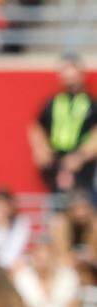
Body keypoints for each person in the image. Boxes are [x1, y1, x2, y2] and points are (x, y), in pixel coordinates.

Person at [29, 54, 97, 199]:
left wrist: (80, 156)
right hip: (56, 164)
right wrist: (41, 149)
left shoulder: (91, 103)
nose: (69, 79)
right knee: (56, 203)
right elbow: (37, 127)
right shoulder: (53, 102)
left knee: (85, 202)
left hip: (84, 168)